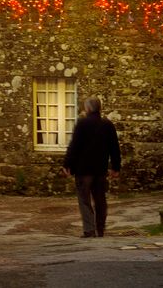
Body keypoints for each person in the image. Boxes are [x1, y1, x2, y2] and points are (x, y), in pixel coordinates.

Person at [63, 97, 121, 238]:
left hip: (83, 170)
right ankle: (100, 229)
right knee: (100, 200)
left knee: (84, 200)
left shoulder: (82, 124)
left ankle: (89, 230)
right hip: (100, 169)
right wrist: (116, 167)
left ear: (87, 108)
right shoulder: (107, 125)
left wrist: (67, 164)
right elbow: (114, 148)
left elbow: (74, 146)